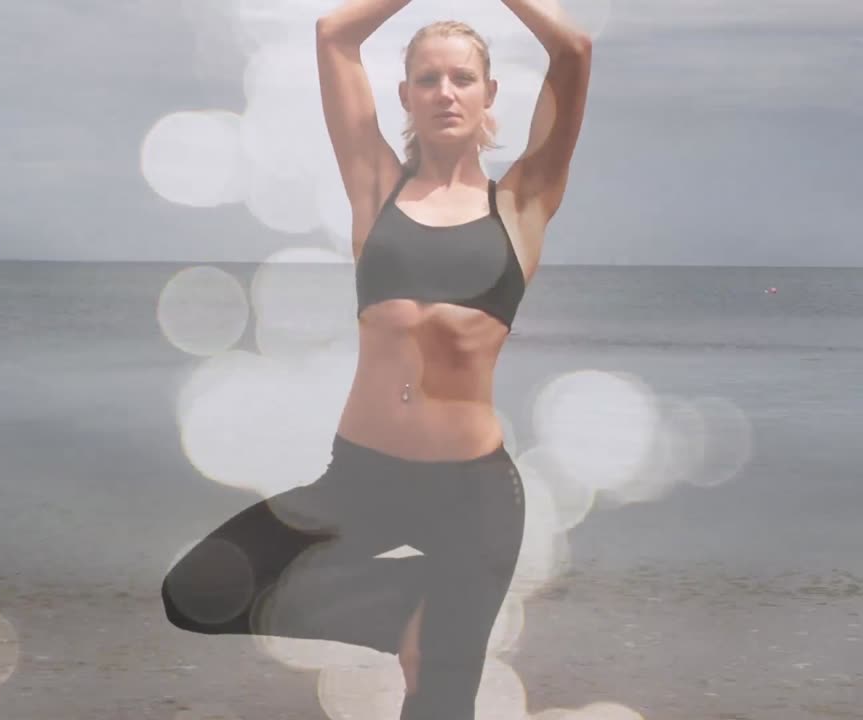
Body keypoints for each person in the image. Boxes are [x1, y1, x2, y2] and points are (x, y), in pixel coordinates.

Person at [161, 1, 591, 717]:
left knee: (439, 703)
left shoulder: (522, 205)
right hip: (360, 480)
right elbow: (335, 35)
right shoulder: (375, 187)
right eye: (427, 79)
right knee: (200, 591)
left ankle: (449, 615)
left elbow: (572, 51)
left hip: (472, 499)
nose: (445, 92)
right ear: (406, 97)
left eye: (462, 78)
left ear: (489, 94)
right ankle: (413, 613)